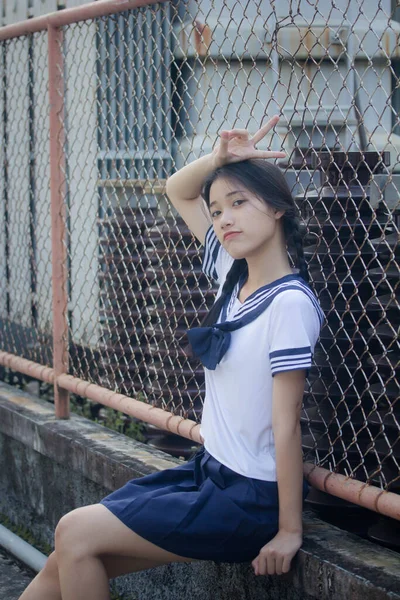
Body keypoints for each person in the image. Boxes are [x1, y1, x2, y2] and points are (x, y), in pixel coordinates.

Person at [19, 115, 324, 600]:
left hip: (248, 497)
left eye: (239, 203)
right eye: (218, 209)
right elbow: (178, 189)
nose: (224, 219)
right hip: (209, 472)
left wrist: (289, 530)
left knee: (75, 532)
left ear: (280, 209)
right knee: (68, 553)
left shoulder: (289, 304)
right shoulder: (232, 275)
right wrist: (220, 158)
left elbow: (285, 426)